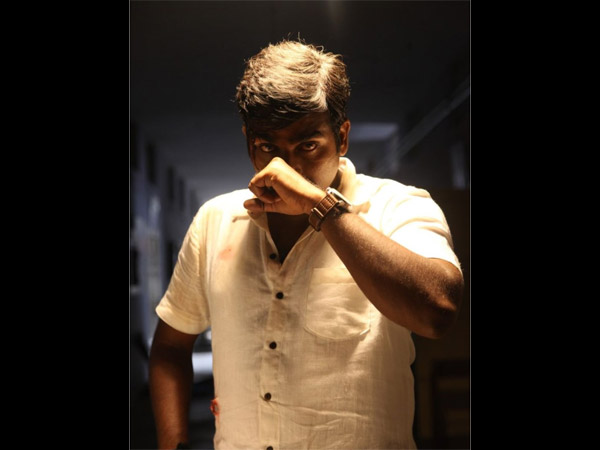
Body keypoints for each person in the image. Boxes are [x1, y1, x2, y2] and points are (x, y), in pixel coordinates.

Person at [149, 40, 464, 450]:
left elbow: (437, 311)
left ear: (342, 137)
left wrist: (321, 206)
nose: (287, 170)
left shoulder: (398, 207)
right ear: (248, 142)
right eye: (268, 148)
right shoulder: (215, 219)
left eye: (308, 146)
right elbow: (170, 349)